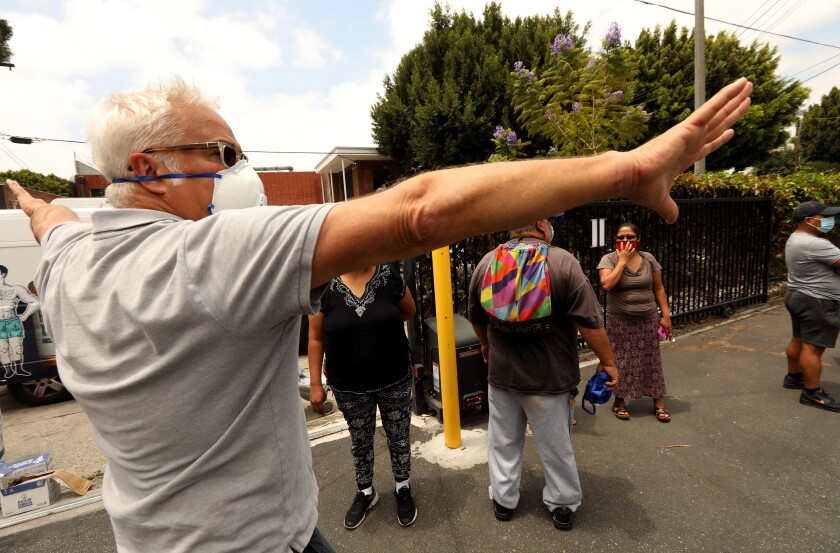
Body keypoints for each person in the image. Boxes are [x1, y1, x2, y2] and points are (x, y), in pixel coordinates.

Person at [7, 75, 751, 552]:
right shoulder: (205, 256)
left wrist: (35, 205)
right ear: (148, 168)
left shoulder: (71, 259)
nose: (234, 170)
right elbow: (421, 212)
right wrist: (630, 168)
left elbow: (54, 224)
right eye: (221, 151)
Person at [467, 218, 619, 531]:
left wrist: (485, 345)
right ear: (540, 224)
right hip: (549, 378)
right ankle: (563, 505)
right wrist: (608, 362)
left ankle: (503, 501)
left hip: (502, 375)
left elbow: (475, 314)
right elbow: (589, 322)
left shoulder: (487, 263)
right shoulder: (563, 262)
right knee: (555, 445)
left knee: (503, 441)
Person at [307, 264, 417, 529]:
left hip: (394, 378)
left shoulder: (389, 278)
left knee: (399, 437)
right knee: (360, 441)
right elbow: (315, 338)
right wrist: (314, 384)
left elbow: (408, 311)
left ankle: (403, 487)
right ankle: (366, 492)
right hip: (348, 384)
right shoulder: (323, 288)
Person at [597, 222, 672, 422]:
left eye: (630, 237)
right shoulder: (609, 259)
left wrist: (665, 316)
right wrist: (622, 261)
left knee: (651, 360)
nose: (625, 241)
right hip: (620, 321)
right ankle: (619, 401)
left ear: (638, 239)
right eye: (621, 238)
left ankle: (658, 402)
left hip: (647, 319)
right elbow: (606, 285)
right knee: (621, 361)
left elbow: (658, 288)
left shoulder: (649, 259)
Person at [782, 201, 840, 412]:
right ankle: (812, 393)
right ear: (809, 220)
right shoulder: (816, 243)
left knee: (799, 339)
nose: (828, 221)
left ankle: (794, 376)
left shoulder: (796, 238)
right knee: (813, 347)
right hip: (818, 300)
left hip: (799, 295)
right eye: (824, 217)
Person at [0, 265, 40, 379]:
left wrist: (25, 315)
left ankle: (19, 369)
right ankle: (8, 370)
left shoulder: (15, 289)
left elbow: (35, 301)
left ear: (2, 274)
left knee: (16, 347)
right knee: (2, 349)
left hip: (13, 321)